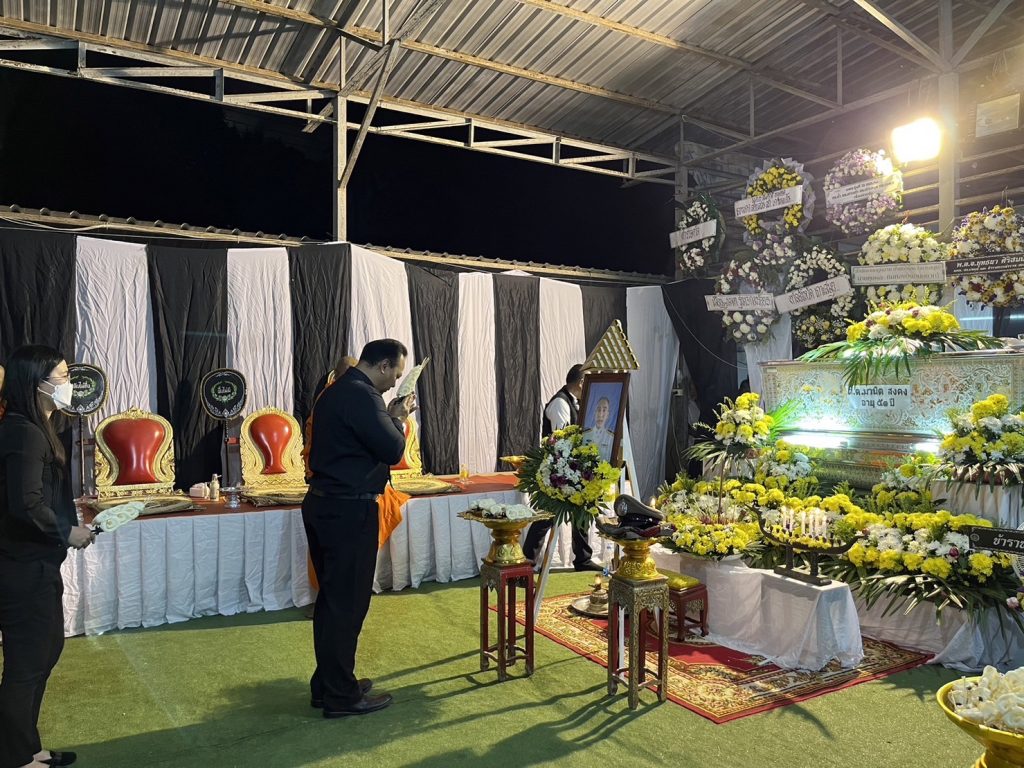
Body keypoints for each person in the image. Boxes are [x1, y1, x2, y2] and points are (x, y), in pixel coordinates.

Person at [303, 338, 415, 718]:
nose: (395, 382)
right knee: (347, 605)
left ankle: (328, 684)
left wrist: (390, 415)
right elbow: (393, 449)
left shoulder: (336, 391)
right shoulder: (363, 397)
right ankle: (341, 695)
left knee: (332, 601)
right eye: (396, 374)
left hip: (326, 504)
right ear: (382, 366)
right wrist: (398, 418)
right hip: (348, 510)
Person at [0, 346, 95, 768]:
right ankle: (16, 756)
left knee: (44, 653)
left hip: (37, 563)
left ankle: (27, 747)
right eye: (61, 377)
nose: (69, 384)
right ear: (35, 383)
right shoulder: (24, 433)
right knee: (27, 665)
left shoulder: (39, 428)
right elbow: (26, 505)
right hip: (21, 566)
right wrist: (67, 532)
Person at [523, 364, 602, 572]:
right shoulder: (560, 403)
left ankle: (583, 559)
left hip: (574, 468)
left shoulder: (577, 402)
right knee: (546, 516)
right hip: (557, 472)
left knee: (582, 512)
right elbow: (562, 440)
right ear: (582, 382)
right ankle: (527, 561)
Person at [582, 396, 615, 463]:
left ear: (607, 415)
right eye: (598, 409)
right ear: (594, 412)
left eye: (604, 410)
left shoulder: (611, 438)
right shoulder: (584, 435)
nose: (600, 414)